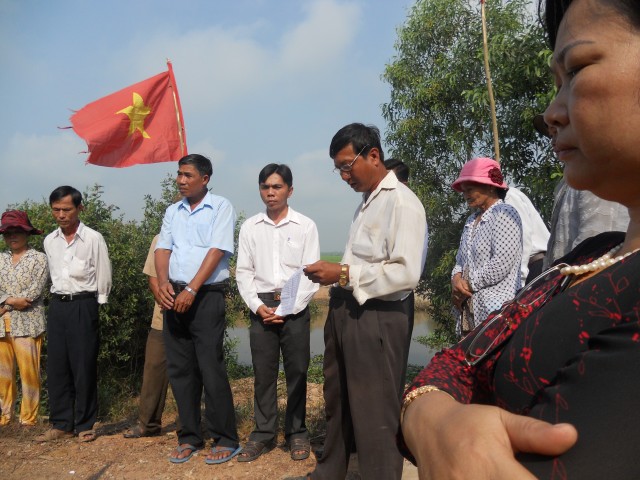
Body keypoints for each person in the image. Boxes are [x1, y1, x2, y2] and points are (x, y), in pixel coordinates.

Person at [399, 1, 640, 478]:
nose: (552, 112)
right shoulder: (592, 256)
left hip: (492, 299)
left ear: (487, 186)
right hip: (476, 307)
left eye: (577, 70)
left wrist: (472, 284)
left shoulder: (508, 215)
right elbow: (456, 363)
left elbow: (505, 263)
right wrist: (433, 419)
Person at [302, 123, 427, 480]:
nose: (344, 176)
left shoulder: (402, 202)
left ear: (373, 155)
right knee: (338, 399)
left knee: (376, 411)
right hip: (348, 309)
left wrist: (342, 273)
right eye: (338, 169)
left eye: (346, 166)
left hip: (379, 315)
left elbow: (405, 273)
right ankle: (330, 473)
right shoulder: (367, 203)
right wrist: (338, 278)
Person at [155, 153, 241, 465]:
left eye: (187, 175)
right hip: (174, 293)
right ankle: (189, 436)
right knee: (180, 369)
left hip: (205, 295)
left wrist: (192, 289)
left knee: (210, 366)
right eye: (179, 174)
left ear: (205, 179)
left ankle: (225, 437)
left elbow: (217, 250)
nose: (181, 180)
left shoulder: (220, 207)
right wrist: (163, 283)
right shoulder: (173, 211)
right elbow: (163, 248)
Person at [235, 163, 320, 463]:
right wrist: (258, 306)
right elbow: (243, 272)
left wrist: (286, 308)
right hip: (260, 306)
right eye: (265, 187)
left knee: (297, 372)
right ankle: (263, 433)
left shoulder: (305, 226)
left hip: (294, 308)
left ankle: (297, 432)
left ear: (290, 190)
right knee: (263, 373)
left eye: (277, 186)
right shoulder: (250, 227)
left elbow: (311, 274)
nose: (270, 192)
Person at [37, 186, 112, 443]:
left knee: (83, 364)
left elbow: (103, 271)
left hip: (83, 304)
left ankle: (85, 424)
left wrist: (98, 303)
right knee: (57, 366)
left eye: (66, 209)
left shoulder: (92, 238)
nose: (61, 215)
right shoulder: (50, 240)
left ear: (80, 208)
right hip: (58, 305)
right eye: (56, 210)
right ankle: (61, 424)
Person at [533, 115, 630, 270]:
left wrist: (570, 280)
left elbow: (593, 246)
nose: (553, 141)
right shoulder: (569, 180)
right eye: (551, 135)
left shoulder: (595, 173)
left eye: (558, 132)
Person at [450, 157, 523, 336]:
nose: (466, 195)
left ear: (490, 186)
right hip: (469, 306)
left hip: (494, 309)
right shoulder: (471, 220)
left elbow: (501, 263)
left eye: (470, 189)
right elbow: (460, 260)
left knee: (491, 350)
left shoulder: (504, 213)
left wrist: (469, 285)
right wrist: (456, 278)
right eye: (463, 191)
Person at [0, 210, 48, 427]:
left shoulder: (39, 259)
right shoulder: (0, 259)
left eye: (17, 231)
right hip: (2, 325)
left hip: (28, 324)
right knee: (3, 376)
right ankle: (5, 418)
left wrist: (4, 304)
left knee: (29, 374)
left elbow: (32, 294)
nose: (12, 236)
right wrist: (11, 301)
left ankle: (28, 420)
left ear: (27, 233)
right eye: (8, 232)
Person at [123, 234, 174, 438]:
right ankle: (148, 424)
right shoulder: (160, 239)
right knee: (154, 368)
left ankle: (192, 424)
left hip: (193, 318)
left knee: (194, 371)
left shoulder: (201, 237)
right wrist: (165, 301)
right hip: (162, 316)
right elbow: (153, 279)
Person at [504, 186, 550, 284]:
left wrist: (520, 279)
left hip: (534, 266)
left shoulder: (508, 197)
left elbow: (523, 238)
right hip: (528, 268)